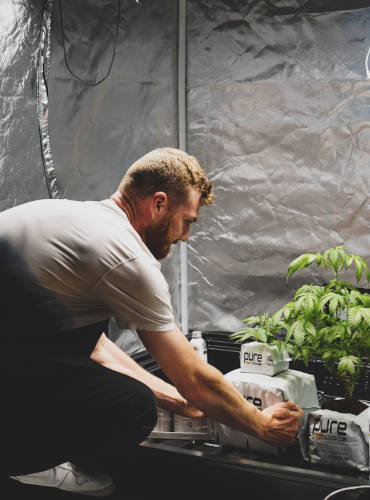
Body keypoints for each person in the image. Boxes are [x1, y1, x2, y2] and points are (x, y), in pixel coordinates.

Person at [0, 147, 303, 496]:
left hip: (16, 350)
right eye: (187, 221)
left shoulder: (68, 216)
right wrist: (262, 426)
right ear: (158, 203)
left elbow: (90, 346)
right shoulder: (126, 256)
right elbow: (195, 379)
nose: (185, 237)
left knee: (88, 330)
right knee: (132, 406)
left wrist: (178, 400)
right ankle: (25, 461)